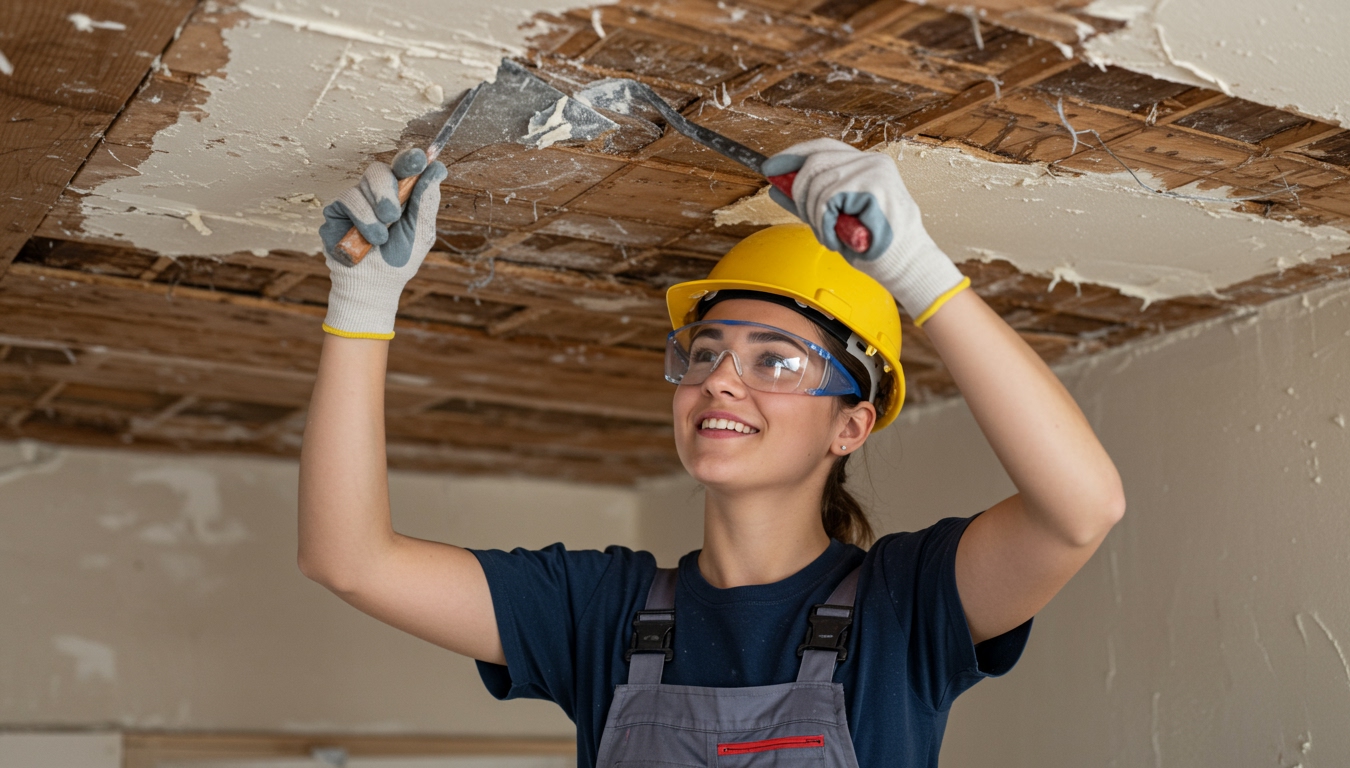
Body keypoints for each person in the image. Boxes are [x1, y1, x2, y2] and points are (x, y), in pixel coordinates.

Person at [300, 138, 1125, 767]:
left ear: (852, 427)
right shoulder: (601, 613)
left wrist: (917, 271)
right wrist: (362, 303)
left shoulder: (902, 609)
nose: (721, 382)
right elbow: (349, 559)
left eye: (774, 361)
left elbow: (1081, 510)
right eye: (705, 354)